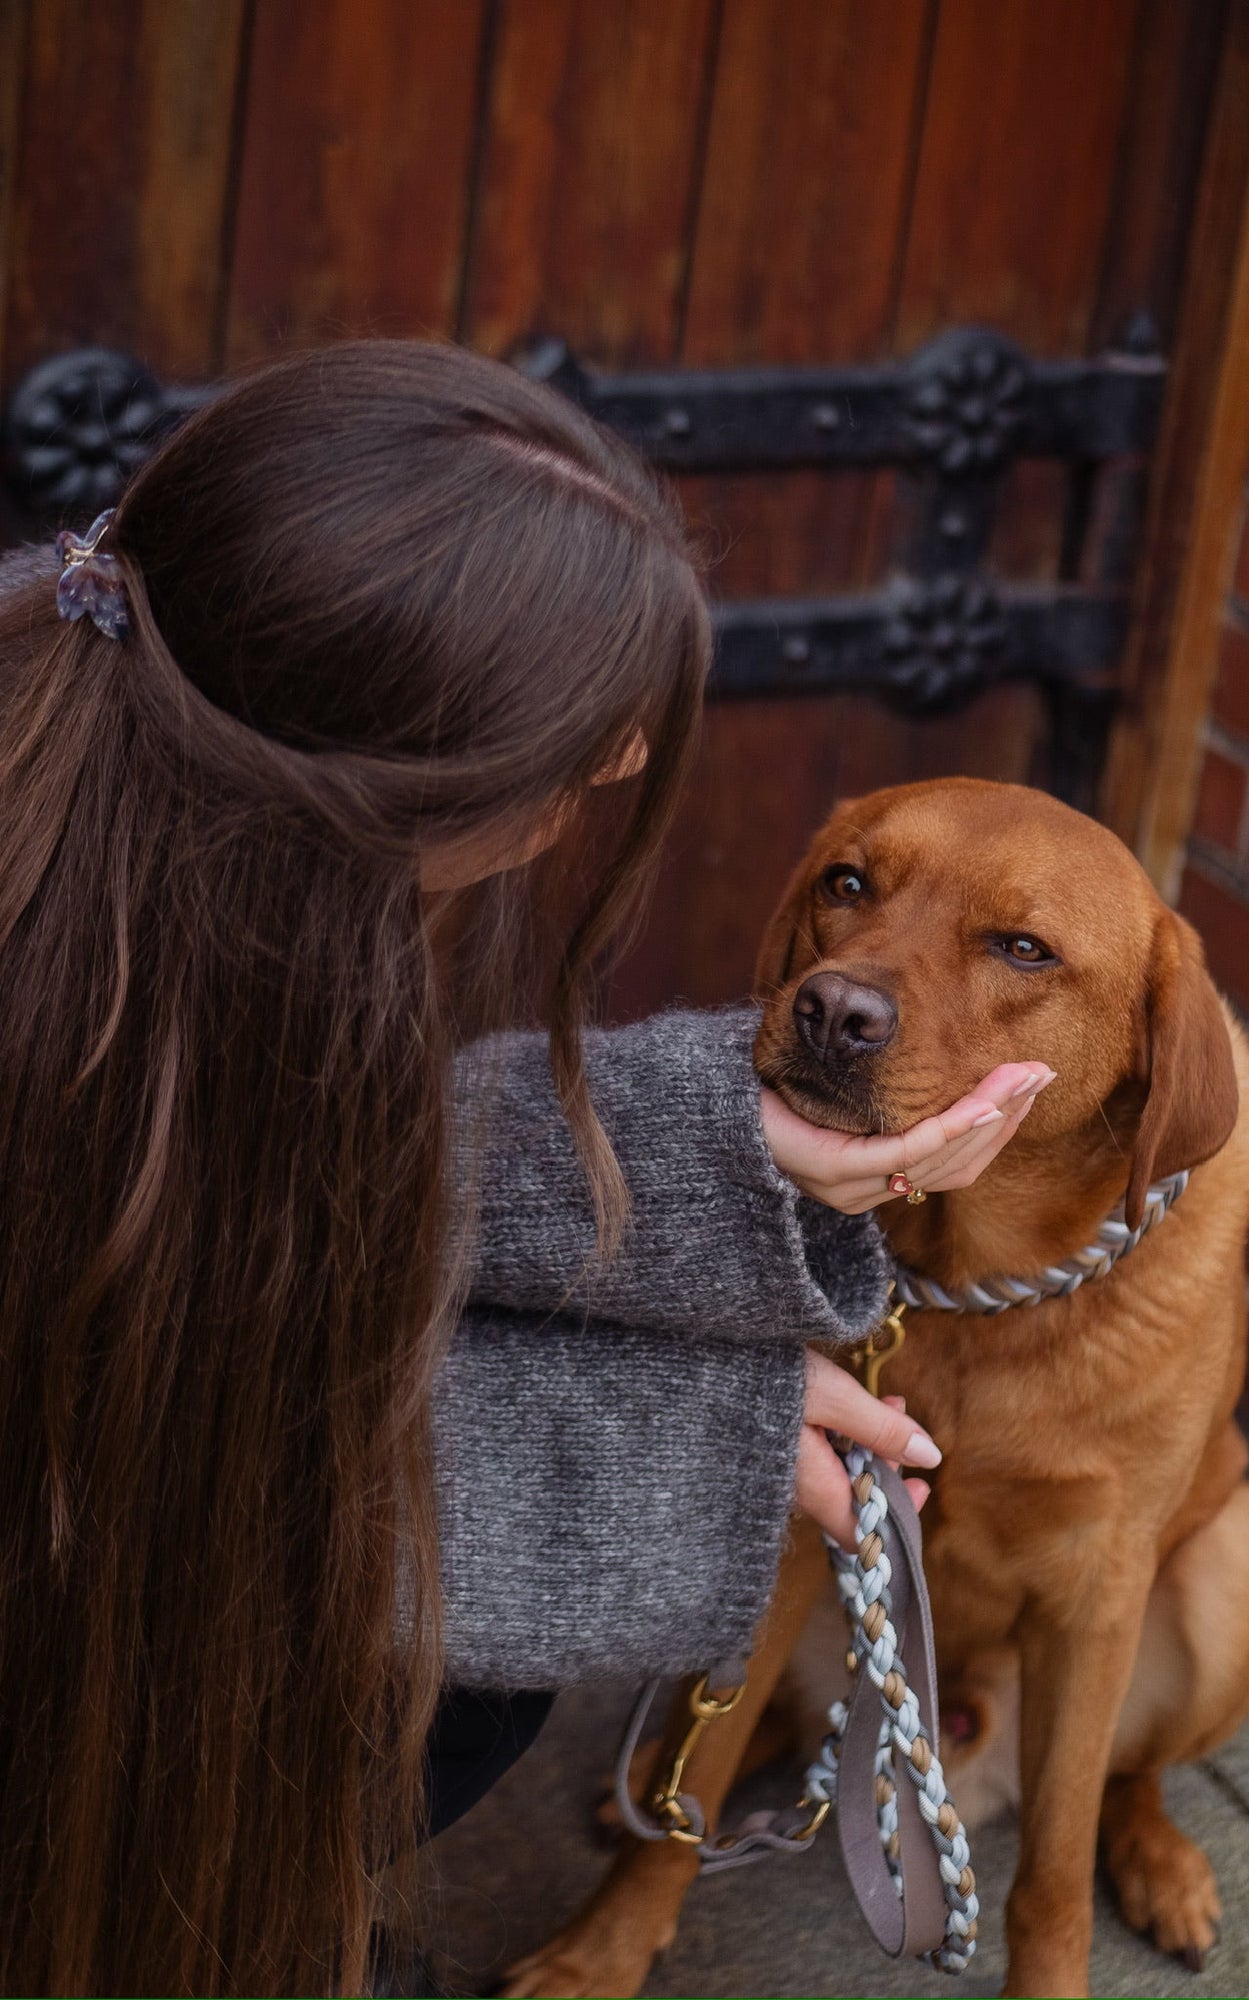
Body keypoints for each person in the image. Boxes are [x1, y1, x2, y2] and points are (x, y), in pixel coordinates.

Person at [0, 340, 1045, 1997]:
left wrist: (714, 1149)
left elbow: (285, 1218)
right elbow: (200, 1479)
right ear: (374, 773)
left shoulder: (123, 811)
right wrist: (695, 1438)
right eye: (577, 755)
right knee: (464, 1700)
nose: (619, 775)